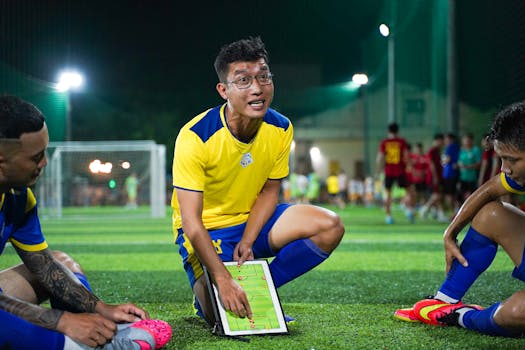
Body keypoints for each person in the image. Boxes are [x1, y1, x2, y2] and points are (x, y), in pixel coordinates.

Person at [171, 37, 344, 326]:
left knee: (330, 225)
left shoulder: (281, 127)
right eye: (244, 80)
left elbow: (270, 190)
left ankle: (262, 292)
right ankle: (210, 294)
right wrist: (223, 279)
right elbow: (191, 222)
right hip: (208, 228)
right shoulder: (195, 137)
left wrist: (250, 238)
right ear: (223, 90)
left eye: (264, 76)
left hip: (255, 220)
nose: (257, 88)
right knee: (223, 319)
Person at [0, 95, 171, 350]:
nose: (44, 162)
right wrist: (60, 321)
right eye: (36, 157)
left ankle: (94, 333)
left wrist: (99, 307)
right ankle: (74, 344)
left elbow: (44, 266)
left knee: (60, 261)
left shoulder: (19, 197)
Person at [394, 101, 525, 337]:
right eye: (501, 159)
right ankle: (443, 302)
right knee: (489, 214)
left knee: (516, 311)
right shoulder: (514, 174)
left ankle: (459, 316)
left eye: (512, 160)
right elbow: (488, 190)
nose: (505, 168)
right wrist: (450, 232)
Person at [375, 122, 413, 224]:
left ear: (388, 131)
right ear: (398, 130)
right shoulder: (401, 141)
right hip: (400, 170)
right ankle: (409, 211)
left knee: (388, 193)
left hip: (389, 171)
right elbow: (406, 155)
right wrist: (409, 166)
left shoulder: (384, 142)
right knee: (408, 191)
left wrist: (378, 170)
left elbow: (380, 158)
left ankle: (388, 217)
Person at [419, 134, 447, 222]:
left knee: (438, 196)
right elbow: (431, 165)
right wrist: (435, 177)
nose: (442, 143)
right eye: (442, 141)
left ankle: (440, 215)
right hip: (433, 177)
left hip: (437, 176)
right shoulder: (432, 151)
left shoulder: (438, 151)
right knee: (437, 195)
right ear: (437, 140)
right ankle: (425, 209)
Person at [457, 133, 481, 202]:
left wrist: (468, 166)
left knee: (472, 196)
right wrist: (460, 165)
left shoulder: (475, 150)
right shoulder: (462, 150)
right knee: (461, 195)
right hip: (462, 177)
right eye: (465, 140)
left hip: (472, 177)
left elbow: (479, 163)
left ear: (471, 141)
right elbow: (459, 161)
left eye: (468, 140)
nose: (466, 142)